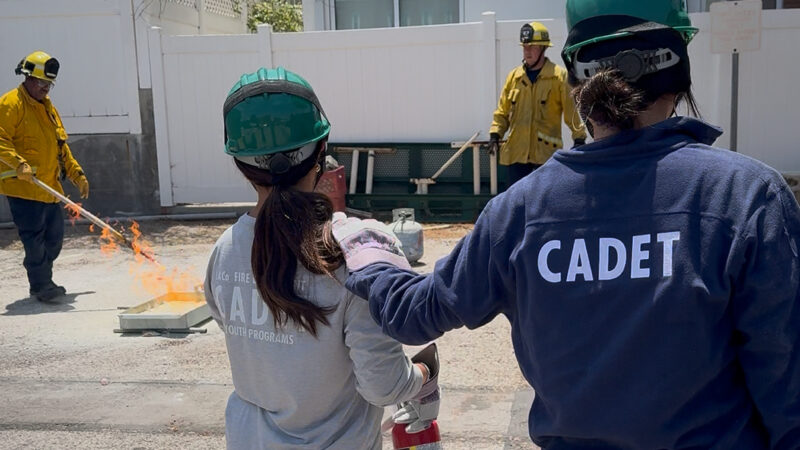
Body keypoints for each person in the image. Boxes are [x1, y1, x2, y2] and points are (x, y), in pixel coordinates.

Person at [334, 0, 800, 447]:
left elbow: (415, 313)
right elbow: (787, 385)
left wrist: (368, 252)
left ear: (578, 84)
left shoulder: (517, 212)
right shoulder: (746, 197)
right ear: (677, 70)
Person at [204, 67, 439, 449]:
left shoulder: (224, 250)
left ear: (239, 162)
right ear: (321, 149)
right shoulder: (357, 255)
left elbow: (236, 331)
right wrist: (424, 372)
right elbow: (384, 386)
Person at [0, 51, 89, 301]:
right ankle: (41, 285)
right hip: (23, 188)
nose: (46, 88)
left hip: (49, 188)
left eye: (49, 84)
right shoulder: (10, 104)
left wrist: (76, 174)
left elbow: (61, 147)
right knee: (34, 238)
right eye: (41, 83)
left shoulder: (49, 109)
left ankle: (43, 279)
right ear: (27, 78)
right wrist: (18, 164)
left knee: (54, 238)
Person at [489, 21, 587, 188]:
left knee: (544, 204)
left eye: (532, 47)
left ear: (543, 48)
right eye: (525, 47)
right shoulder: (514, 77)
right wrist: (495, 134)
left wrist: (579, 138)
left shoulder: (558, 77)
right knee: (516, 204)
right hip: (516, 155)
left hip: (545, 156)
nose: (527, 51)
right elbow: (502, 111)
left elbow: (571, 112)